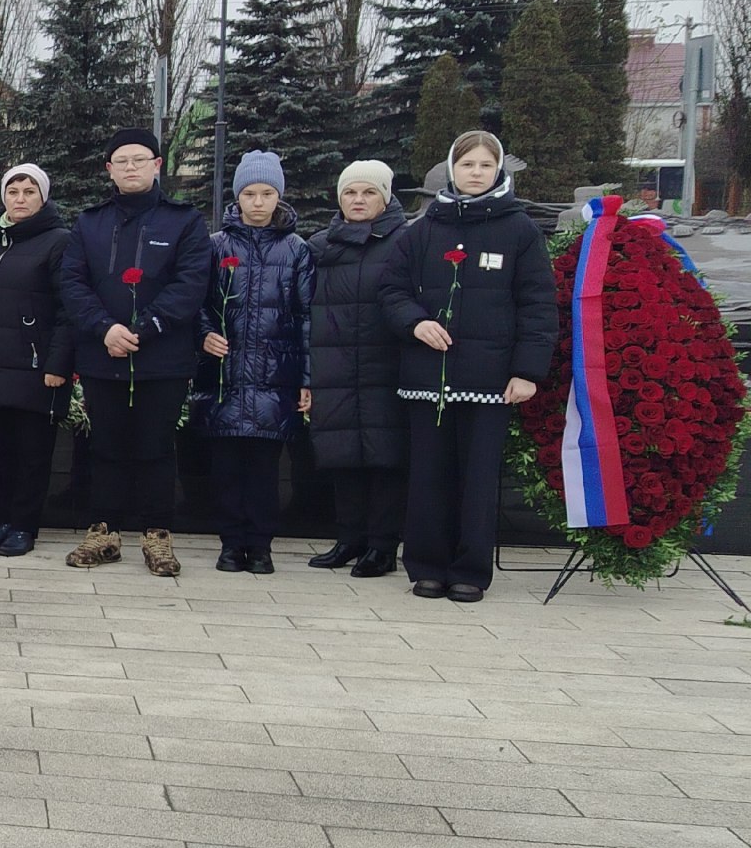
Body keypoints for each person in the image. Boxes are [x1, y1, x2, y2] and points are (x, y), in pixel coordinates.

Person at [379, 129, 557, 604]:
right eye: (466, 165)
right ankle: (427, 567)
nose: (475, 173)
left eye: (484, 165)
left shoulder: (520, 231)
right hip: (427, 379)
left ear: (498, 170)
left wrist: (527, 371)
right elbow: (391, 292)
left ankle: (470, 572)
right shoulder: (422, 229)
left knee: (476, 479)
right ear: (450, 170)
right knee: (428, 477)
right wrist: (415, 324)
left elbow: (538, 304)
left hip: (490, 381)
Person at [57, 127, 212, 578]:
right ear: (109, 169)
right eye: (121, 161)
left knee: (156, 446)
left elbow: (190, 284)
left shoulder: (184, 221)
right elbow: (73, 282)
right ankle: (103, 531)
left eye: (139, 160)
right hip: (102, 354)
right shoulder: (89, 222)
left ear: (157, 165)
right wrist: (105, 328)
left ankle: (156, 534)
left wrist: (145, 328)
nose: (130, 168)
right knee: (103, 444)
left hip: (162, 357)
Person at [194, 150, 314, 576]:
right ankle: (230, 543)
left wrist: (306, 379)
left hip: (273, 380)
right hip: (225, 379)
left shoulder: (297, 250)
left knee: (264, 470)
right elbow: (200, 302)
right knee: (226, 468)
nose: (258, 202)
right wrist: (205, 333)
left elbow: (305, 317)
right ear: (237, 197)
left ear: (278, 197)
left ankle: (260, 545)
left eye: (266, 193)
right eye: (250, 193)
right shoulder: (216, 246)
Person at [0, 162, 74, 558]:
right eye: (13, 191)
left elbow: (67, 310)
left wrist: (58, 364)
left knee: (33, 454)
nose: (20, 199)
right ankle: (8, 519)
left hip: (36, 369)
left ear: (43, 198)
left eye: (29, 192)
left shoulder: (59, 241)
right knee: (6, 451)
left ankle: (26, 526)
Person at [305, 158, 408, 578]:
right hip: (335, 362)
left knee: (385, 457)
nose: (359, 200)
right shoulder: (320, 246)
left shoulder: (407, 240)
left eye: (369, 192)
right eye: (350, 192)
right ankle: (349, 539)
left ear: (385, 196)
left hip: (387, 364)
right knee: (343, 455)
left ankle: (382, 546)